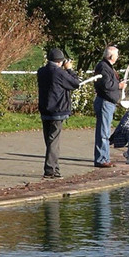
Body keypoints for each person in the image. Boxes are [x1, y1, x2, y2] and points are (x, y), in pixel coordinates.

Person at [36, 47, 80, 179]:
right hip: (58, 109)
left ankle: (55, 168)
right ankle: (50, 169)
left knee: (49, 140)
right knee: (54, 141)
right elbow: (75, 83)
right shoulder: (59, 73)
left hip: (45, 108)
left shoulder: (41, 71)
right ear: (60, 62)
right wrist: (70, 70)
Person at [92, 45, 124, 168]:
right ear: (111, 56)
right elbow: (106, 84)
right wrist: (119, 85)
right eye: (117, 55)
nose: (118, 57)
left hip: (108, 102)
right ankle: (101, 159)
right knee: (103, 132)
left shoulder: (106, 66)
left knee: (105, 131)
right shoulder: (103, 67)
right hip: (105, 102)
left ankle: (104, 157)